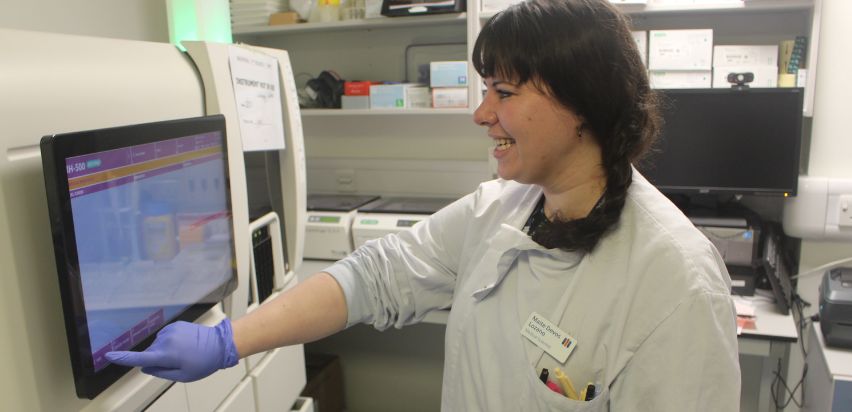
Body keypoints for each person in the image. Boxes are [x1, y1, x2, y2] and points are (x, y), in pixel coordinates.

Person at [107, 0, 741, 410]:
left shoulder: (675, 283)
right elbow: (373, 277)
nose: (481, 113)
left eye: (504, 91)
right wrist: (227, 342)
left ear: (583, 105)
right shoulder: (501, 209)